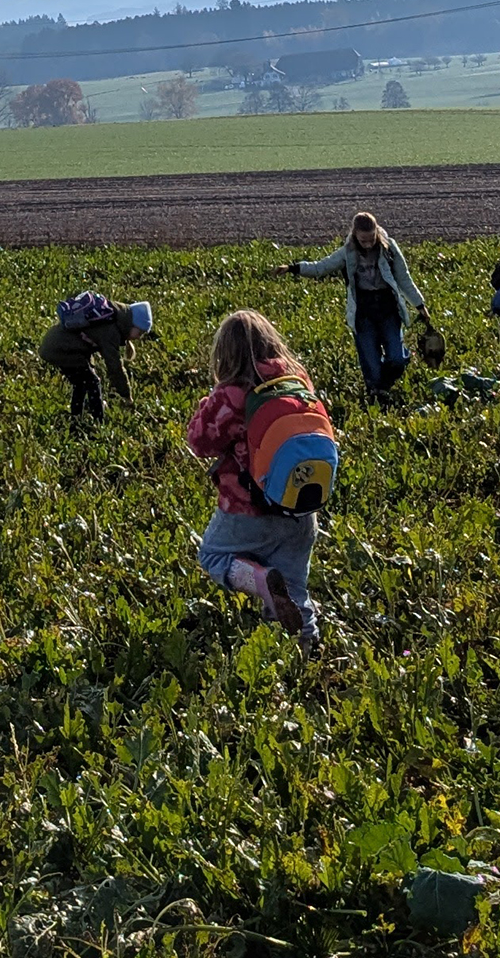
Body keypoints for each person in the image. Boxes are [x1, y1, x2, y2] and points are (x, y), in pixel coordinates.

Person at [183, 310, 321, 645]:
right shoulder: (297, 380)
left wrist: (206, 404)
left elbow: (199, 442)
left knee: (213, 556)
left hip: (248, 507)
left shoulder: (232, 394)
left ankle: (260, 580)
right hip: (300, 502)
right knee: (294, 587)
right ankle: (308, 647)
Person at [278, 211, 429, 397]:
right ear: (355, 234)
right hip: (363, 312)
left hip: (388, 308)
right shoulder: (347, 252)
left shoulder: (389, 248)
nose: (368, 244)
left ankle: (384, 386)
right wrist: (293, 268)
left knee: (397, 359)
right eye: (363, 240)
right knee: (372, 367)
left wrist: (420, 305)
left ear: (376, 232)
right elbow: (320, 267)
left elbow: (404, 278)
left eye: (371, 239)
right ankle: (377, 393)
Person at [37, 297, 153, 421]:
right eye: (140, 333)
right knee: (92, 382)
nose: (139, 337)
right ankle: (98, 420)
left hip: (55, 346)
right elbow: (114, 365)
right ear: (131, 324)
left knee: (81, 383)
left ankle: (77, 418)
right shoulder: (110, 330)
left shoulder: (111, 318)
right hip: (61, 349)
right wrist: (125, 394)